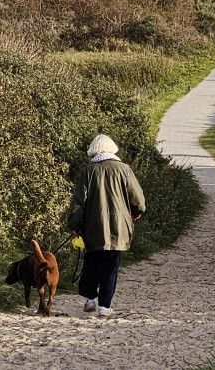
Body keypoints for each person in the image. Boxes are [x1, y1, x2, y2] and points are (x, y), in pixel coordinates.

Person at [67, 133, 146, 318]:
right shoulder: (124, 169)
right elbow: (138, 199)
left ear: (94, 150)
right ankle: (104, 306)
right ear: (112, 148)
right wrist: (137, 212)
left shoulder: (88, 171)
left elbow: (79, 202)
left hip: (93, 226)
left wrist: (72, 224)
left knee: (92, 261)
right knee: (111, 266)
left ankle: (90, 297)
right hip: (119, 226)